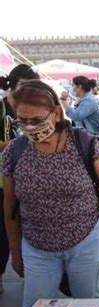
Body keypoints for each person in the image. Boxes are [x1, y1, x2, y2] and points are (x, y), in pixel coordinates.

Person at [2, 80, 99, 307]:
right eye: (23, 121)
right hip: (37, 247)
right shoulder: (15, 151)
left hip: (87, 240)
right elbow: (10, 207)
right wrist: (15, 252)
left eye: (37, 121)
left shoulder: (84, 143)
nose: (30, 128)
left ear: (57, 114)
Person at [0, 64, 40, 294]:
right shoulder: (2, 108)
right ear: (13, 85)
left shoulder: (33, 107)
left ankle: (30, 269)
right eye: (24, 87)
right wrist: (15, 144)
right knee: (6, 226)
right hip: (4, 179)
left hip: (27, 178)